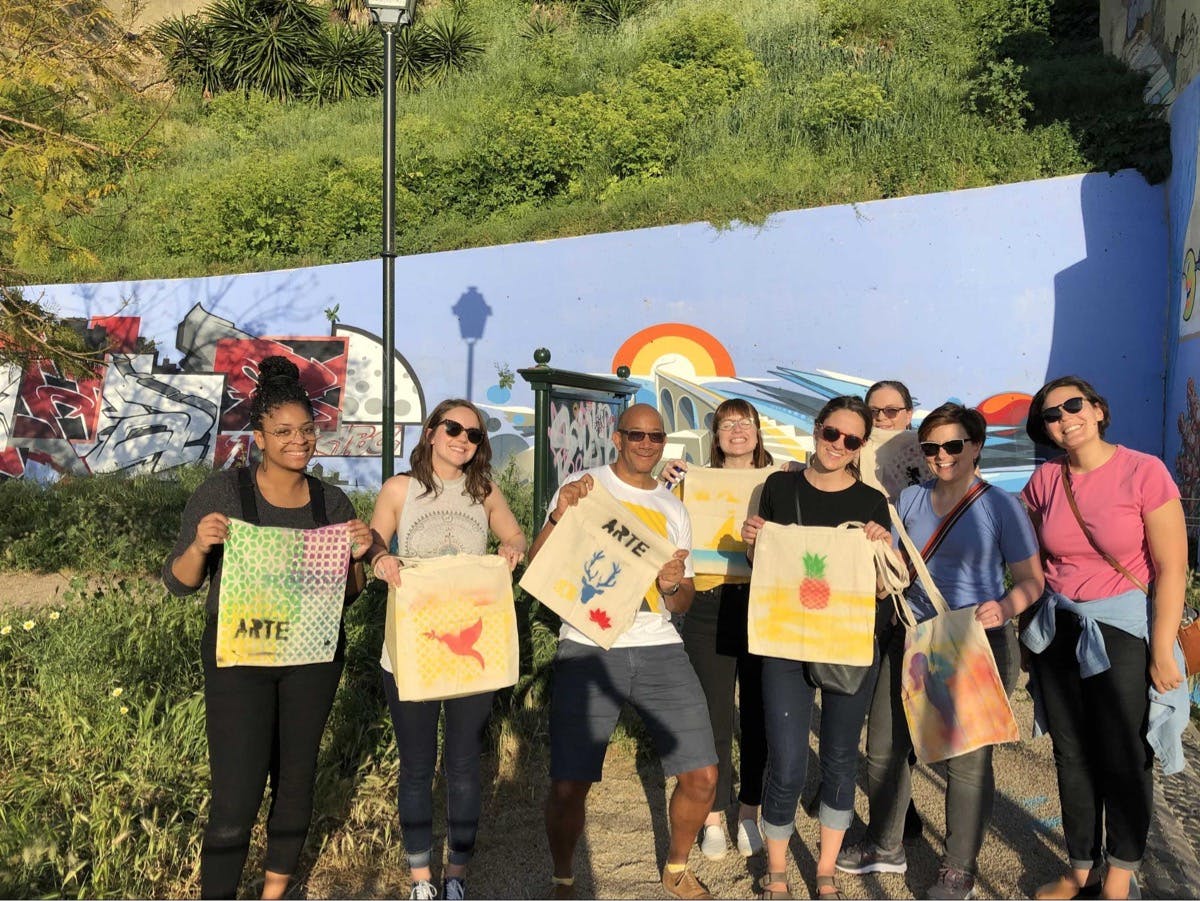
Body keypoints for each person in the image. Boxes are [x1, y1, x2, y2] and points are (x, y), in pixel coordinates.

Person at [163, 356, 373, 900]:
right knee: (235, 795)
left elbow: (345, 597)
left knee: (296, 782)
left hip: (313, 661)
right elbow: (180, 583)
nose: (298, 442)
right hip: (240, 662)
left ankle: (274, 894)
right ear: (259, 436)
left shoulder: (332, 502)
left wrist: (359, 557)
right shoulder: (224, 494)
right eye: (283, 432)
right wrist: (200, 545)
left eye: (307, 431)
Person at [836, 403, 1044, 900]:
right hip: (910, 632)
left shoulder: (1000, 506)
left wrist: (1005, 607)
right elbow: (902, 566)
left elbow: (1032, 580)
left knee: (965, 761)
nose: (941, 456)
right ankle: (886, 845)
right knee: (885, 747)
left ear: (976, 447)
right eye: (931, 447)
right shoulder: (909, 497)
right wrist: (882, 546)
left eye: (953, 446)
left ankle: (959, 868)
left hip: (972, 638)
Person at [530, 403, 718, 901]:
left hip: (659, 644)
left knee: (703, 775)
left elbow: (681, 601)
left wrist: (673, 584)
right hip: (588, 645)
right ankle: (565, 877)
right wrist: (556, 515)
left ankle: (676, 868)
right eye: (636, 434)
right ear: (617, 438)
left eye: (656, 436)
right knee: (570, 782)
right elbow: (538, 567)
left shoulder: (674, 509)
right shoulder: (584, 487)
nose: (646, 443)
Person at [1019, 376, 1188, 901]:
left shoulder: (1144, 471)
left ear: (1097, 409)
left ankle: (1120, 873)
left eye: (1074, 405)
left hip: (1122, 632)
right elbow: (1025, 551)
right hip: (1061, 629)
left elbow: (1173, 566)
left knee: (1123, 754)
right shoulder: (1046, 480)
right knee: (1071, 755)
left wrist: (1161, 647)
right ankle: (1080, 868)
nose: (1065, 417)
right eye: (1052, 413)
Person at [367, 398, 527, 901]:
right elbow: (374, 540)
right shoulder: (399, 488)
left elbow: (515, 534)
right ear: (431, 431)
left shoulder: (484, 491)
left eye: (474, 434)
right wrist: (380, 559)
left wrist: (511, 550)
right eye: (453, 428)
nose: (462, 439)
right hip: (412, 648)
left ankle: (456, 872)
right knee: (416, 765)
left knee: (461, 762)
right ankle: (421, 879)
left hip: (468, 649)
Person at [740, 395, 895, 901]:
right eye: (832, 433)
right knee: (785, 761)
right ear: (816, 430)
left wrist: (881, 549)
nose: (838, 446)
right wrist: (752, 539)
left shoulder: (873, 502)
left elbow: (880, 588)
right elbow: (761, 563)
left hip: (848, 642)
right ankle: (778, 870)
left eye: (851, 440)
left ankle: (826, 870)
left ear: (861, 446)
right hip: (784, 640)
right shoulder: (778, 487)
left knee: (839, 759)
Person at [660, 399, 774, 860]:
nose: (737, 430)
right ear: (716, 436)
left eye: (745, 422)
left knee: (759, 713)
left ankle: (749, 811)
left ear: (757, 432)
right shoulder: (692, 479)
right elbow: (661, 521)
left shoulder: (778, 482)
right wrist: (664, 484)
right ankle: (711, 816)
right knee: (712, 715)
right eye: (727, 424)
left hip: (764, 602)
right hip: (708, 603)